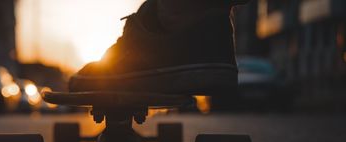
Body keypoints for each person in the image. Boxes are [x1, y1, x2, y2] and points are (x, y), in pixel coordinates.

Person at [69, 0, 250, 96]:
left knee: (173, 11)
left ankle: (162, 29)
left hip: (175, 36)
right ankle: (202, 30)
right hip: (215, 40)